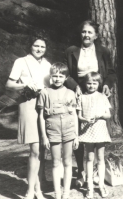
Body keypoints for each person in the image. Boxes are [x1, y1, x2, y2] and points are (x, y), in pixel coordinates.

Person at [64, 20, 116, 186]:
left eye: (89, 32)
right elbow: (65, 74)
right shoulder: (71, 51)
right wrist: (74, 87)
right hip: (79, 94)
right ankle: (81, 171)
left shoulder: (103, 51)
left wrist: (107, 84)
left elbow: (111, 72)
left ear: (96, 35)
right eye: (83, 32)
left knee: (98, 130)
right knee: (80, 131)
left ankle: (97, 170)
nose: (86, 35)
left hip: (97, 93)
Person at [5, 36, 51, 199]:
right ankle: (30, 191)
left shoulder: (47, 65)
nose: (39, 49)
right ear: (30, 46)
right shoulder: (21, 62)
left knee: (41, 149)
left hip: (45, 105)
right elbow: (9, 85)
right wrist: (24, 85)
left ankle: (37, 189)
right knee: (35, 149)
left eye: (42, 47)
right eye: (36, 45)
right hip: (28, 103)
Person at [37, 63, 79, 199]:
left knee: (67, 162)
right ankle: (57, 193)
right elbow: (41, 117)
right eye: (55, 76)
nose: (57, 79)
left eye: (61, 76)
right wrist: (44, 136)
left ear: (66, 77)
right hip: (52, 131)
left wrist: (76, 136)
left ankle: (65, 193)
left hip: (68, 131)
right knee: (55, 162)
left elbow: (74, 115)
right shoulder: (44, 93)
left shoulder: (70, 93)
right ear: (50, 76)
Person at [77, 72, 111, 198]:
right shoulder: (81, 97)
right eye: (89, 83)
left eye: (94, 83)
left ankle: (101, 185)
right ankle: (89, 187)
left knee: (100, 158)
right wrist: (85, 120)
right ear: (85, 84)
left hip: (100, 130)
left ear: (99, 84)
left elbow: (108, 115)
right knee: (90, 158)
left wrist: (100, 115)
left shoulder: (102, 97)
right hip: (87, 130)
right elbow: (79, 116)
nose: (91, 86)